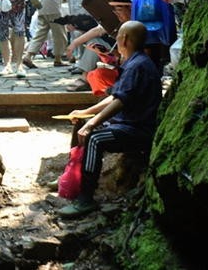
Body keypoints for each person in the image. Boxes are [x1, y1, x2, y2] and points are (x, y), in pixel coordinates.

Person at [57, 21, 163, 218]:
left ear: (124, 39)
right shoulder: (132, 62)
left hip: (138, 128)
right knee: (79, 122)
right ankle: (73, 174)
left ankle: (85, 198)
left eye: (118, 37)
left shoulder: (137, 66)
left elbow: (121, 101)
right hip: (125, 122)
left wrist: (93, 123)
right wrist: (85, 113)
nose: (116, 40)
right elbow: (115, 96)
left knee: (95, 138)